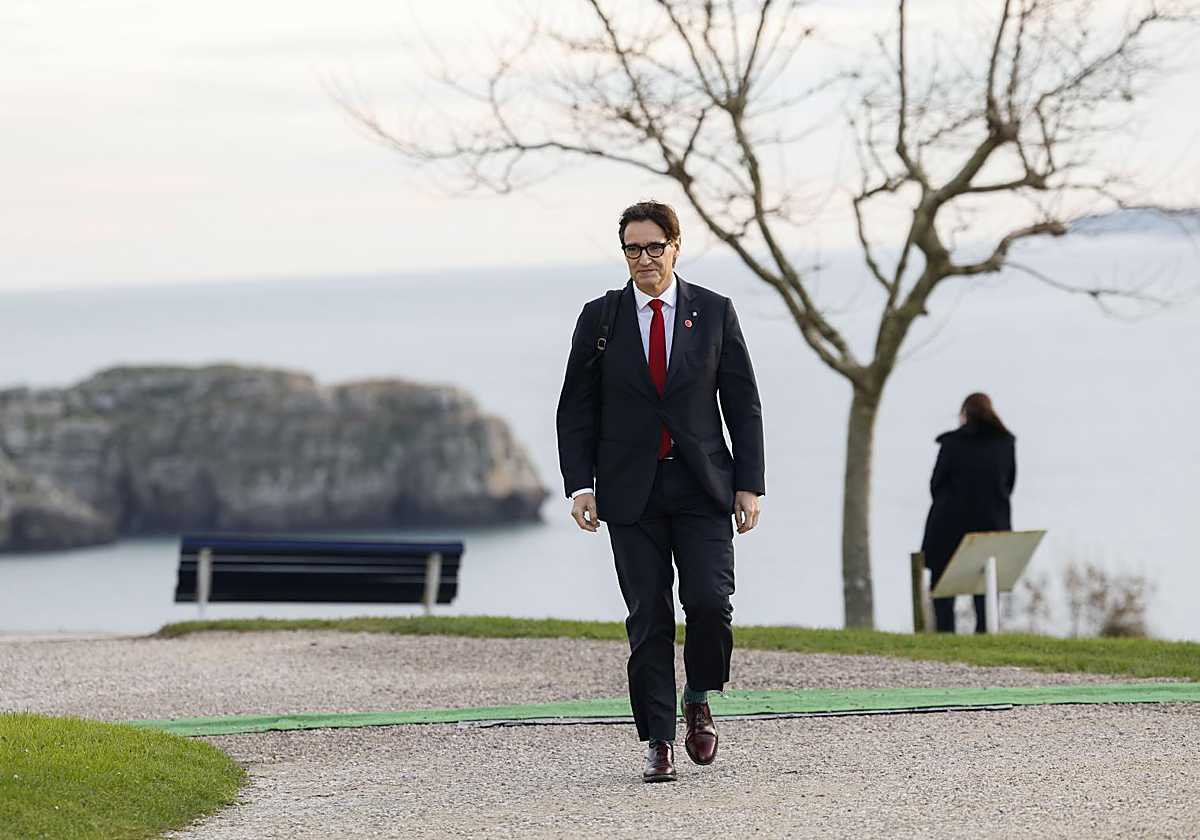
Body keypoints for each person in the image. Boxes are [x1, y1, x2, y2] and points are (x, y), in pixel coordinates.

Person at [556, 201, 765, 783]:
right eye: (632, 249)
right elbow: (575, 408)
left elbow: (742, 404)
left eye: (654, 247)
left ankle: (697, 693)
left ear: (676, 246)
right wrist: (580, 485)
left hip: (701, 486)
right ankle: (658, 738)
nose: (643, 259)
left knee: (708, 605)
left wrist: (749, 484)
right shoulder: (600, 318)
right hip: (629, 492)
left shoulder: (715, 312)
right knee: (648, 617)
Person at [920, 392, 1017, 633]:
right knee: (987, 585)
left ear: (964, 414)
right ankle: (985, 634)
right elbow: (1009, 483)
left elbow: (936, 484)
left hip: (948, 525)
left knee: (942, 587)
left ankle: (944, 636)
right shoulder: (1005, 443)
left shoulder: (952, 444)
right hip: (992, 524)